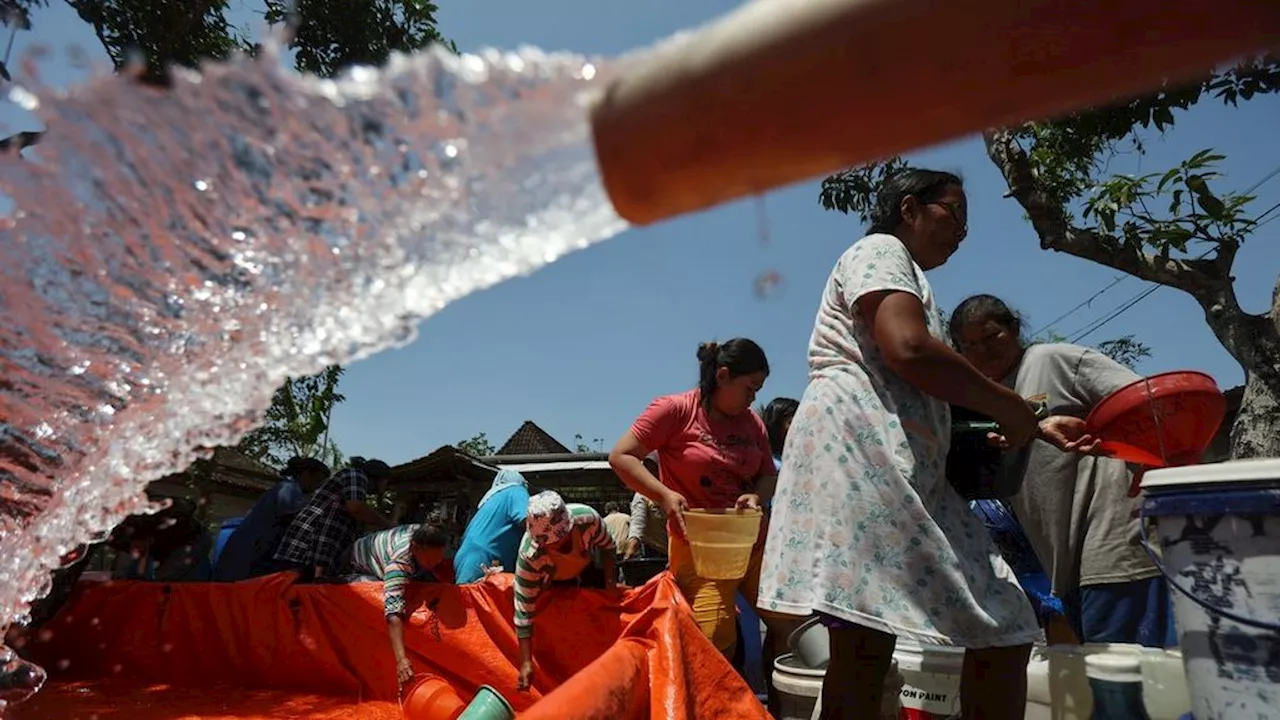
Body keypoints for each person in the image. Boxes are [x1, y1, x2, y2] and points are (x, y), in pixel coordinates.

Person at [757, 168, 1098, 720]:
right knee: (1004, 621)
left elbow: (925, 387)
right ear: (910, 208)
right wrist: (1009, 406)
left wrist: (1031, 423)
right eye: (953, 212)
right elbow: (909, 348)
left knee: (866, 641)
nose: (962, 229)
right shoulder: (881, 251)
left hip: (878, 457)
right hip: (863, 453)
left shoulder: (906, 273)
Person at [949, 293, 1170, 646]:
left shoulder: (1053, 360)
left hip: (1112, 539)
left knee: (1125, 674)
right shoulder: (983, 400)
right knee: (1106, 673)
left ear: (1015, 329)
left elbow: (1146, 404)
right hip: (1062, 561)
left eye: (992, 337)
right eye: (970, 345)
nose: (983, 351)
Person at [609, 338, 798, 715]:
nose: (752, 398)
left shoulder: (753, 423)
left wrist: (756, 497)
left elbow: (767, 475)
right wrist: (663, 494)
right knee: (713, 639)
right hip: (700, 550)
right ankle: (716, 710)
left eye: (757, 391)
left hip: (752, 543)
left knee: (791, 628)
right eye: (748, 388)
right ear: (723, 376)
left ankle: (778, 709)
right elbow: (621, 456)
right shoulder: (675, 410)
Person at [514, 491, 616, 691]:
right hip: (555, 582)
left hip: (589, 570)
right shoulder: (530, 557)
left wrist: (610, 584)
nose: (560, 544)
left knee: (598, 620)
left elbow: (609, 548)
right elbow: (523, 608)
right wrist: (526, 662)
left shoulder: (588, 520)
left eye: (564, 539)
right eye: (553, 544)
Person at [335, 522, 450, 686]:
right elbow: (393, 613)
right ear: (416, 549)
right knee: (377, 592)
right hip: (353, 565)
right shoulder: (400, 563)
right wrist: (401, 660)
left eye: (439, 557)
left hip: (383, 555)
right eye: (431, 559)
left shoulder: (426, 534)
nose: (436, 562)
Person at [272, 457, 394, 580]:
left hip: (316, 551)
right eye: (385, 482)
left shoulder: (355, 487)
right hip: (308, 547)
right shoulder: (356, 475)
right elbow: (356, 508)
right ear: (379, 478)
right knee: (291, 589)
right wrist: (390, 525)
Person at [213, 456, 331, 582]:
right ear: (306, 474)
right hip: (250, 553)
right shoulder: (289, 490)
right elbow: (303, 517)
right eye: (317, 481)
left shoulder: (291, 491)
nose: (317, 486)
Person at [453, 469, 530, 583]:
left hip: (469, 557)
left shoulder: (493, 499)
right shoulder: (516, 490)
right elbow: (531, 523)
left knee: (468, 597)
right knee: (475, 598)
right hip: (484, 558)